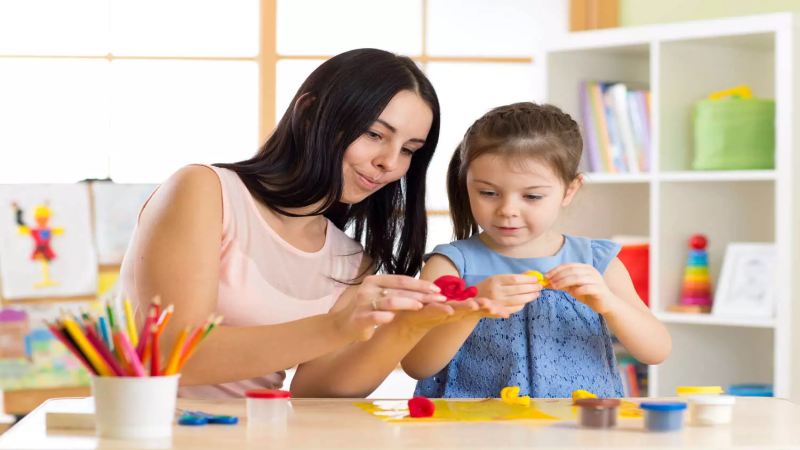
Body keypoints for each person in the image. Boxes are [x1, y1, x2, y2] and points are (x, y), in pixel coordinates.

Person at [119, 48, 450, 398]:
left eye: (409, 149)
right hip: (150, 432)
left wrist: (407, 326)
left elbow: (315, 394)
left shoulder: (351, 260)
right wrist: (336, 326)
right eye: (374, 134)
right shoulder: (205, 191)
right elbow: (176, 354)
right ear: (308, 113)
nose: (390, 163)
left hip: (261, 434)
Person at [401, 102, 671, 398]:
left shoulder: (597, 262)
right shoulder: (451, 266)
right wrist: (473, 307)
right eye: (488, 193)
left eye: (531, 196)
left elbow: (656, 350)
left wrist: (609, 303)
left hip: (578, 431)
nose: (508, 210)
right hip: (474, 430)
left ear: (569, 190)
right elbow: (417, 364)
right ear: (466, 183)